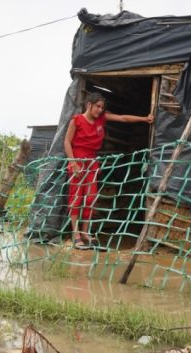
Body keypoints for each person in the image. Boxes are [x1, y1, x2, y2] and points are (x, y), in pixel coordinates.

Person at [63, 92, 153, 249]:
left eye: (102, 107)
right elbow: (66, 142)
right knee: (76, 198)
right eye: (97, 106)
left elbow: (122, 118)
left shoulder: (101, 119)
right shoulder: (76, 121)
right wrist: (73, 163)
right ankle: (76, 234)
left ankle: (86, 233)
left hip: (92, 161)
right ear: (89, 105)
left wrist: (144, 119)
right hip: (77, 160)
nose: (100, 110)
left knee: (90, 198)